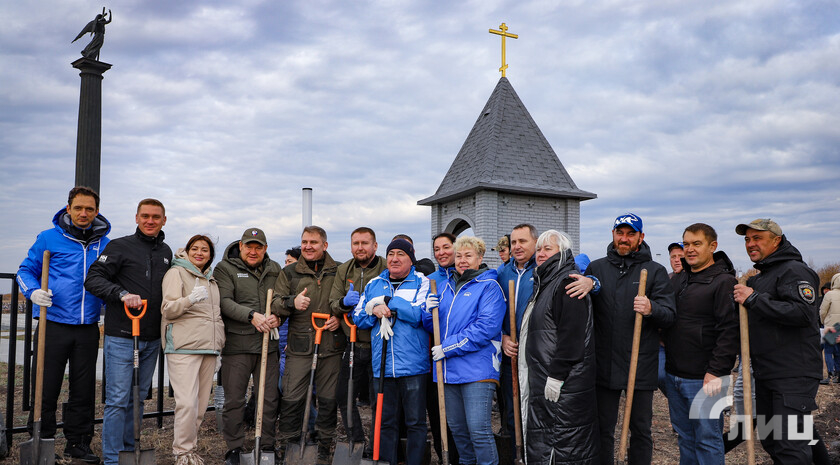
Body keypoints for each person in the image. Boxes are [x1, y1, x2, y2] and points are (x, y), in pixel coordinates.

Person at [566, 213, 675, 465]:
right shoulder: (597, 268)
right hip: (605, 363)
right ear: (613, 234)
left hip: (640, 363)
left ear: (641, 237)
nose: (624, 239)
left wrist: (651, 309)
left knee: (641, 429)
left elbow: (670, 315)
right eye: (620, 233)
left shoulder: (655, 271)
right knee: (603, 428)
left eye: (630, 234)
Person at [17, 186, 110, 464]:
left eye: (90, 209)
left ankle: (78, 444)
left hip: (88, 326)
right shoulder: (48, 238)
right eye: (78, 208)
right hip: (53, 324)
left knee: (83, 389)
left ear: (96, 211)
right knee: (46, 387)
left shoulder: (104, 243)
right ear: (68, 208)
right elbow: (25, 270)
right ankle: (43, 441)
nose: (84, 213)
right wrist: (32, 291)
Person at [85, 198, 172, 465]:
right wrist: (121, 294)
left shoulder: (166, 252)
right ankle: (112, 459)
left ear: (163, 221)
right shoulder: (119, 246)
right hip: (122, 335)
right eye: (145, 216)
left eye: (155, 217)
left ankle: (128, 450)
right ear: (136, 218)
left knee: (138, 399)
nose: (150, 221)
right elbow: (93, 278)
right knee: (117, 401)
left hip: (151, 337)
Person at [733, 218, 822, 463]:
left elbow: (804, 313)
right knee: (773, 439)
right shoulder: (762, 276)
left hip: (793, 375)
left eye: (757, 238)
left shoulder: (794, 271)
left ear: (777, 241)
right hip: (767, 374)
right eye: (747, 240)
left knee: (790, 445)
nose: (751, 244)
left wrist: (753, 299)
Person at [423, 236, 505, 465]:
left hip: (477, 371)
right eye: (459, 255)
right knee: (458, 430)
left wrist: (448, 348)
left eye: (468, 255)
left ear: (480, 258)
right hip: (448, 372)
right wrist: (427, 311)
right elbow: (434, 327)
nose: (462, 260)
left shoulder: (489, 287)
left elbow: (485, 328)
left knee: (478, 431)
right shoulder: (447, 287)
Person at [663, 224, 738, 464]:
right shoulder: (679, 279)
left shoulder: (723, 281)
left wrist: (716, 371)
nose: (690, 249)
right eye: (686, 244)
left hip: (707, 378)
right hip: (675, 375)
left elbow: (729, 331)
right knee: (685, 437)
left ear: (712, 246)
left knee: (708, 439)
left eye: (697, 244)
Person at [520, 230, 598, 464]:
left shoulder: (566, 283)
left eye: (548, 249)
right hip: (547, 379)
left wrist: (556, 375)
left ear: (562, 253)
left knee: (561, 444)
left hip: (563, 384)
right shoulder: (546, 282)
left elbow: (572, 335)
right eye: (540, 249)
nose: (541, 254)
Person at [353, 238, 430, 465]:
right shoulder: (373, 283)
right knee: (386, 421)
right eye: (391, 254)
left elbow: (420, 316)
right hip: (382, 366)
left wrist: (390, 302)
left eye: (401, 254)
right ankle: (387, 461)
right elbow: (358, 317)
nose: (395, 259)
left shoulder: (422, 282)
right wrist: (374, 309)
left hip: (414, 366)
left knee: (415, 422)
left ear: (411, 258)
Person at [274, 226, 344, 465]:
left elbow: (349, 301)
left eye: (313, 242)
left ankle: (324, 448)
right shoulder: (291, 272)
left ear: (325, 245)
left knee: (327, 401)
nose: (308, 246)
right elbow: (275, 302)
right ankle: (290, 446)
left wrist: (341, 317)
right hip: (299, 347)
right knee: (292, 399)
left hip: (331, 346)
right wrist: (292, 302)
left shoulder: (339, 270)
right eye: (304, 241)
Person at [214, 228, 283, 465]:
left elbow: (281, 300)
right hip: (238, 344)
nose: (253, 251)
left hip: (268, 345)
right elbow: (224, 301)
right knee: (235, 400)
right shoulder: (225, 268)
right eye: (249, 246)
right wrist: (251, 315)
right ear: (241, 246)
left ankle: (266, 445)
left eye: (259, 247)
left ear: (265, 249)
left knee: (269, 398)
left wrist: (278, 317)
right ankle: (234, 448)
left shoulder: (275, 269)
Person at [161, 234, 225, 465]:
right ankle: (181, 452)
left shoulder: (211, 279)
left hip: (208, 349)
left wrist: (218, 347)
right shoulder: (175, 273)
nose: (199, 253)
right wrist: (189, 299)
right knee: (187, 403)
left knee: (198, 406)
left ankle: (190, 450)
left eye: (205, 250)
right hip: (184, 348)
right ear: (187, 252)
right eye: (195, 249)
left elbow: (215, 316)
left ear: (210, 255)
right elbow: (168, 309)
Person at [329, 227, 386, 457]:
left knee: (378, 399)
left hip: (379, 345)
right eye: (355, 243)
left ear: (375, 246)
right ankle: (357, 442)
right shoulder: (344, 269)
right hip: (352, 344)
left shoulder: (384, 267)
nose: (360, 248)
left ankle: (377, 447)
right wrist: (344, 302)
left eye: (365, 243)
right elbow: (333, 302)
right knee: (344, 395)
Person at [497, 224, 538, 443]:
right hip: (509, 354)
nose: (517, 246)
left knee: (535, 412)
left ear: (535, 242)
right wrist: (502, 336)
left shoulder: (543, 270)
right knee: (512, 414)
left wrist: (592, 282)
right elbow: (493, 311)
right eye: (513, 242)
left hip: (535, 355)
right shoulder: (502, 273)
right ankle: (516, 455)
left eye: (523, 241)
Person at [819, 273, 840, 384]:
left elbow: (823, 311)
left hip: (832, 326)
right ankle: (838, 374)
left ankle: (830, 375)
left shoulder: (830, 294)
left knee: (828, 351)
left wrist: (823, 322)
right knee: (838, 352)